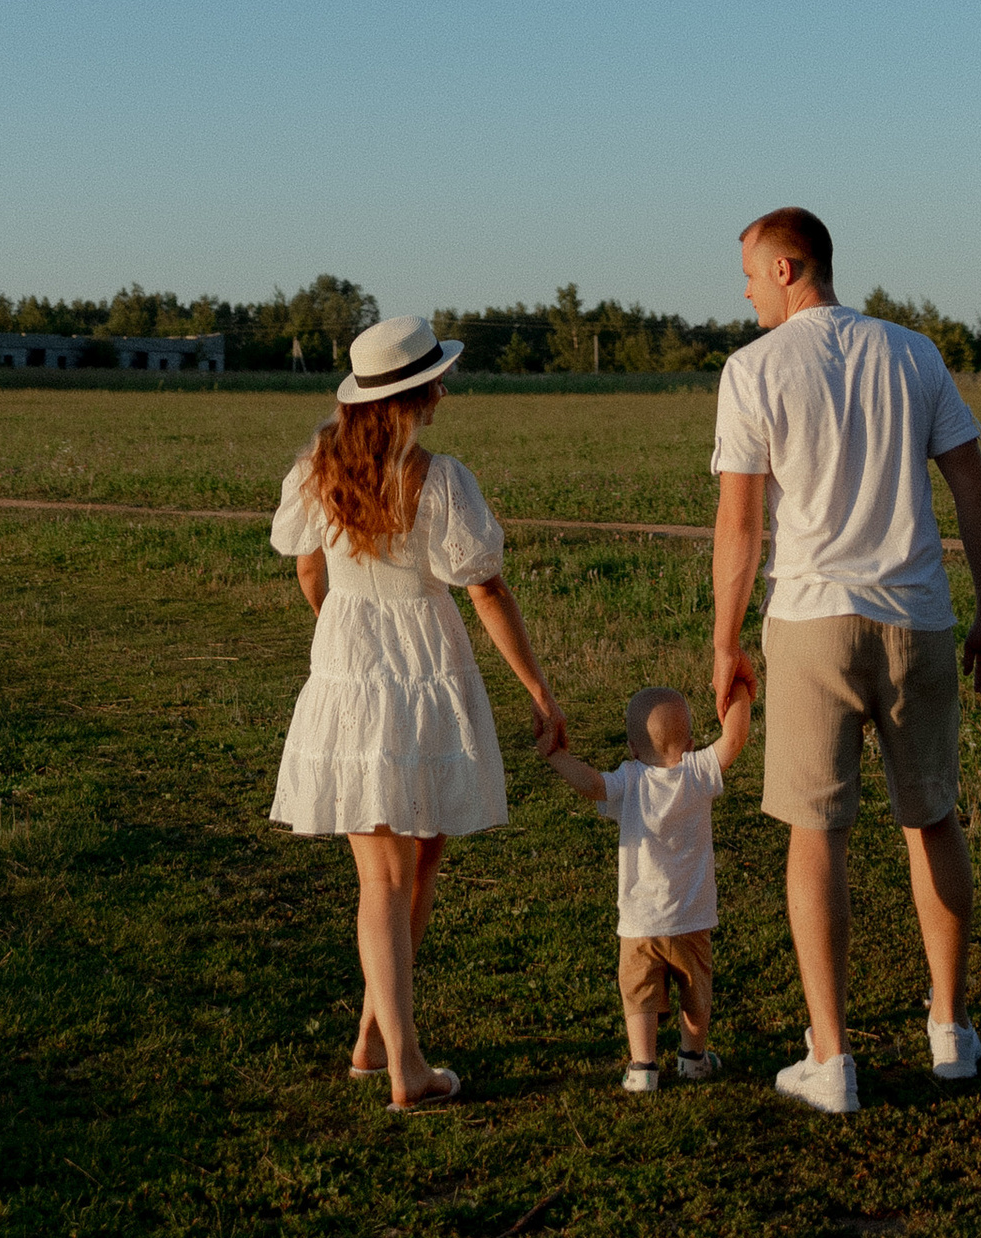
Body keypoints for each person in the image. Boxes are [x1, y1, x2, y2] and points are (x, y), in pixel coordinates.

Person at [710, 207, 981, 1115]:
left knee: (817, 832)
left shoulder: (753, 370)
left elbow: (740, 522)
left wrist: (726, 640)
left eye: (753, 278)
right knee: (933, 819)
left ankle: (832, 1058)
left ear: (791, 266)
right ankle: (951, 1033)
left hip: (810, 622)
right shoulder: (913, 353)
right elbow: (973, 487)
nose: (749, 295)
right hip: (915, 620)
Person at [270, 313, 568, 1109]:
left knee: (423, 852)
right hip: (402, 665)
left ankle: (374, 1035)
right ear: (416, 394)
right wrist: (538, 689)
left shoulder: (325, 469)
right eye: (436, 378)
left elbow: (307, 569)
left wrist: (340, 627)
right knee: (386, 875)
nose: (444, 388)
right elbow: (485, 587)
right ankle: (406, 1069)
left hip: (374, 663)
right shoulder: (434, 478)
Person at [537, 680, 752, 1092]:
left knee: (639, 995)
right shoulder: (699, 771)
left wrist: (556, 755)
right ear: (689, 742)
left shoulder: (629, 780)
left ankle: (643, 1067)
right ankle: (692, 1058)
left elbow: (590, 784)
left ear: (633, 748)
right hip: (692, 919)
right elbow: (735, 738)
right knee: (696, 993)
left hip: (640, 922)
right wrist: (738, 687)